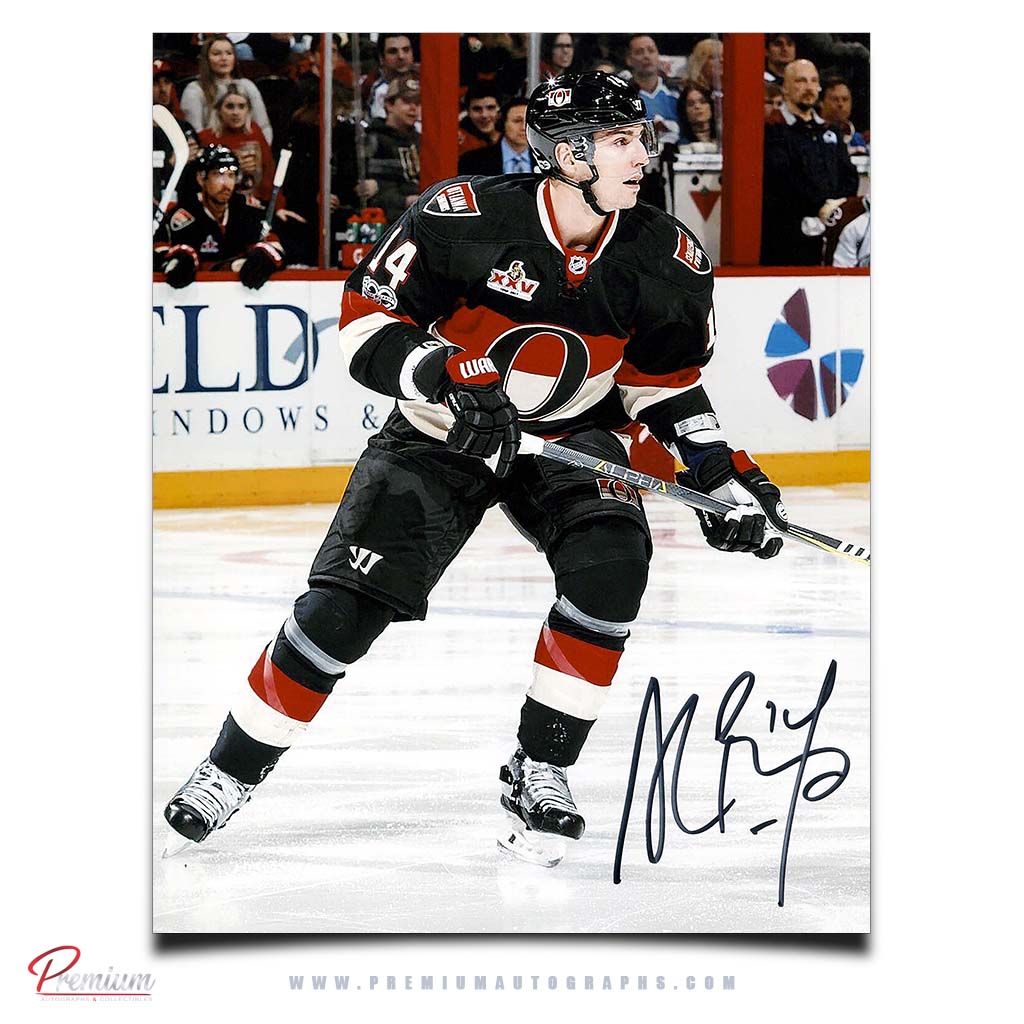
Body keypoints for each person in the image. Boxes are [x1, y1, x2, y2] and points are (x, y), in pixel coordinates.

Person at [162, 71, 788, 867]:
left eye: (641, 137)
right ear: (569, 155)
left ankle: (542, 767)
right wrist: (444, 372)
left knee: (613, 565)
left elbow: (659, 384)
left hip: (569, 437)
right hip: (439, 434)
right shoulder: (464, 216)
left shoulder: (667, 255)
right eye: (620, 140)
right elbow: (365, 324)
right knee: (343, 610)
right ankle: (228, 770)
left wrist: (720, 472)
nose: (642, 155)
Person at [761, 59, 859, 266]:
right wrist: (821, 205)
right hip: (787, 238)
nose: (809, 87)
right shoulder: (772, 129)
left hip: (831, 231)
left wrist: (836, 206)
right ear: (785, 88)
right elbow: (783, 179)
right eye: (801, 81)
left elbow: (849, 175)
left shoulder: (830, 130)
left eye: (814, 81)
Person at [154, 144, 285, 290]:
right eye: (218, 174)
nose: (226, 183)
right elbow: (160, 252)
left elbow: (275, 246)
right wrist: (177, 259)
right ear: (201, 179)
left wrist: (265, 255)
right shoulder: (183, 216)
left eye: (231, 175)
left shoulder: (247, 212)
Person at [180, 35, 274, 145]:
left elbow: (263, 126)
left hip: (247, 150)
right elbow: (194, 133)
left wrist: (262, 151)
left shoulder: (248, 86)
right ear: (206, 59)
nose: (224, 58)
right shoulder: (194, 90)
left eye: (229, 53)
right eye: (217, 54)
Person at [622, 34, 678, 209]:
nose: (646, 56)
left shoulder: (677, 93)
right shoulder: (622, 96)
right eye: (639, 52)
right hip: (636, 175)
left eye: (651, 50)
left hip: (675, 175)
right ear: (629, 59)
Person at [198, 86, 279, 205]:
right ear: (219, 110)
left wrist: (278, 207)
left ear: (248, 110)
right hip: (220, 203)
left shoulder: (255, 132)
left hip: (256, 201)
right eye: (229, 106)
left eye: (241, 106)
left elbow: (270, 172)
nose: (236, 112)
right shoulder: (205, 137)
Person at [359, 74, 422, 224]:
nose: (413, 108)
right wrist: (404, 201)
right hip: (387, 221)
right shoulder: (374, 140)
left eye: (418, 103)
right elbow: (370, 189)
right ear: (389, 104)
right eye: (407, 102)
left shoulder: (421, 141)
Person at [457, 96, 535, 175]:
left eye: (530, 121)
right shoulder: (471, 161)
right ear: (502, 122)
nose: (524, 127)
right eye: (517, 121)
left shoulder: (542, 158)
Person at [365, 34, 416, 120]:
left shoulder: (425, 83)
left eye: (406, 50)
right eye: (393, 52)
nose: (401, 56)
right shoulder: (380, 92)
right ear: (381, 59)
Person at [818, 76, 869, 154]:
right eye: (835, 99)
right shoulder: (811, 138)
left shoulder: (861, 140)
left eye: (845, 99)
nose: (841, 104)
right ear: (821, 103)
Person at [457, 85, 502, 156]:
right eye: (477, 109)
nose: (484, 115)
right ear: (468, 112)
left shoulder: (512, 137)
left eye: (490, 108)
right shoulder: (460, 140)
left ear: (499, 110)